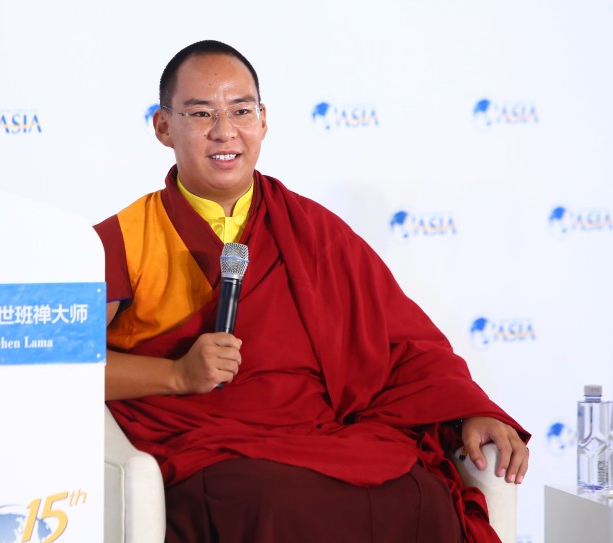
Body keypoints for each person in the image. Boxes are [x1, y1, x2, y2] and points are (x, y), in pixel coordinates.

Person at [95, 40, 530, 543]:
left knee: (419, 494)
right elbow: (63, 367)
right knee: (267, 500)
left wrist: (471, 408)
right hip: (209, 444)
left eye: (241, 110)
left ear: (263, 121)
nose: (224, 131)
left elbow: (405, 342)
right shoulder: (120, 240)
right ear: (164, 127)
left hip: (317, 434)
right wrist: (176, 374)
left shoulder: (313, 231)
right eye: (200, 113)